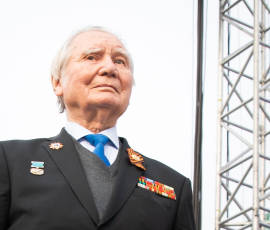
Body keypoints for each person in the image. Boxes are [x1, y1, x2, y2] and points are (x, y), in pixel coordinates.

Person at [0, 26, 196, 230]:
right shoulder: (10, 162)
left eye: (120, 61)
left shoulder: (173, 185)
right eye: (92, 57)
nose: (110, 68)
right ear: (58, 82)